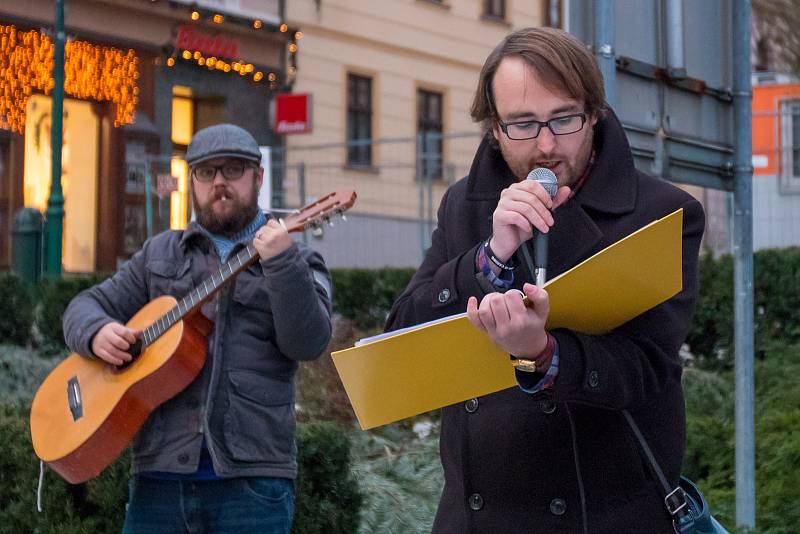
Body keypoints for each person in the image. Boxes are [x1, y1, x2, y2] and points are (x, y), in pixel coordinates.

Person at [385, 27, 705, 533]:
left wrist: (543, 354)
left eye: (564, 118)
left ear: (594, 112)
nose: (546, 145)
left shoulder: (662, 213)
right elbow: (402, 339)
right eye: (522, 124)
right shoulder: (463, 205)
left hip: (603, 517)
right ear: (494, 127)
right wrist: (489, 256)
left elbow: (647, 369)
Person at [63, 123, 332, 533]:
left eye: (233, 170)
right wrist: (97, 332)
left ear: (258, 178)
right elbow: (83, 307)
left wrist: (281, 262)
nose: (219, 182)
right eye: (207, 172)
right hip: (159, 479)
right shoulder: (160, 253)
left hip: (252, 484)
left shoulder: (299, 260)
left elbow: (308, 342)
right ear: (192, 182)